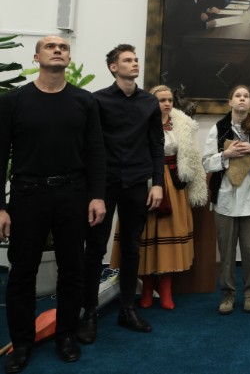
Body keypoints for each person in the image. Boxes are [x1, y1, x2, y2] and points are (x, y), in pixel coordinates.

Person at [0, 36, 106, 372]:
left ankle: (66, 336)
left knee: (72, 269)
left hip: (72, 194)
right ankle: (22, 343)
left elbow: (95, 153)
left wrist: (97, 195)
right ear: (37, 56)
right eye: (50, 46)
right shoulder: (13, 101)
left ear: (68, 57)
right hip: (27, 195)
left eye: (63, 47)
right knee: (22, 273)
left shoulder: (84, 102)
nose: (58, 49)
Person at [79, 44, 164, 343]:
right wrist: (93, 191)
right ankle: (88, 312)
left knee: (131, 248)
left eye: (136, 59)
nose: (135, 63)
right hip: (105, 186)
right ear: (114, 67)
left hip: (138, 183)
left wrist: (157, 183)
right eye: (127, 60)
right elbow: (89, 147)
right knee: (95, 249)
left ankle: (127, 308)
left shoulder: (149, 102)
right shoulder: (97, 100)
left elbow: (156, 145)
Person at [109, 85, 207, 310]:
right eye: (161, 100)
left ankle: (165, 288)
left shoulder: (183, 125)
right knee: (143, 234)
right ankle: (145, 287)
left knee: (169, 233)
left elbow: (191, 157)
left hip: (173, 183)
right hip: (145, 182)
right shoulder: (139, 123)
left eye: (170, 99)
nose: (166, 103)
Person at [203, 85, 250, 314]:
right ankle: (228, 295)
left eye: (246, 96)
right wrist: (226, 155)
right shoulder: (218, 128)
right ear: (230, 102)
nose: (242, 99)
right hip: (225, 199)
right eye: (238, 96)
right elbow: (205, 162)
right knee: (227, 251)